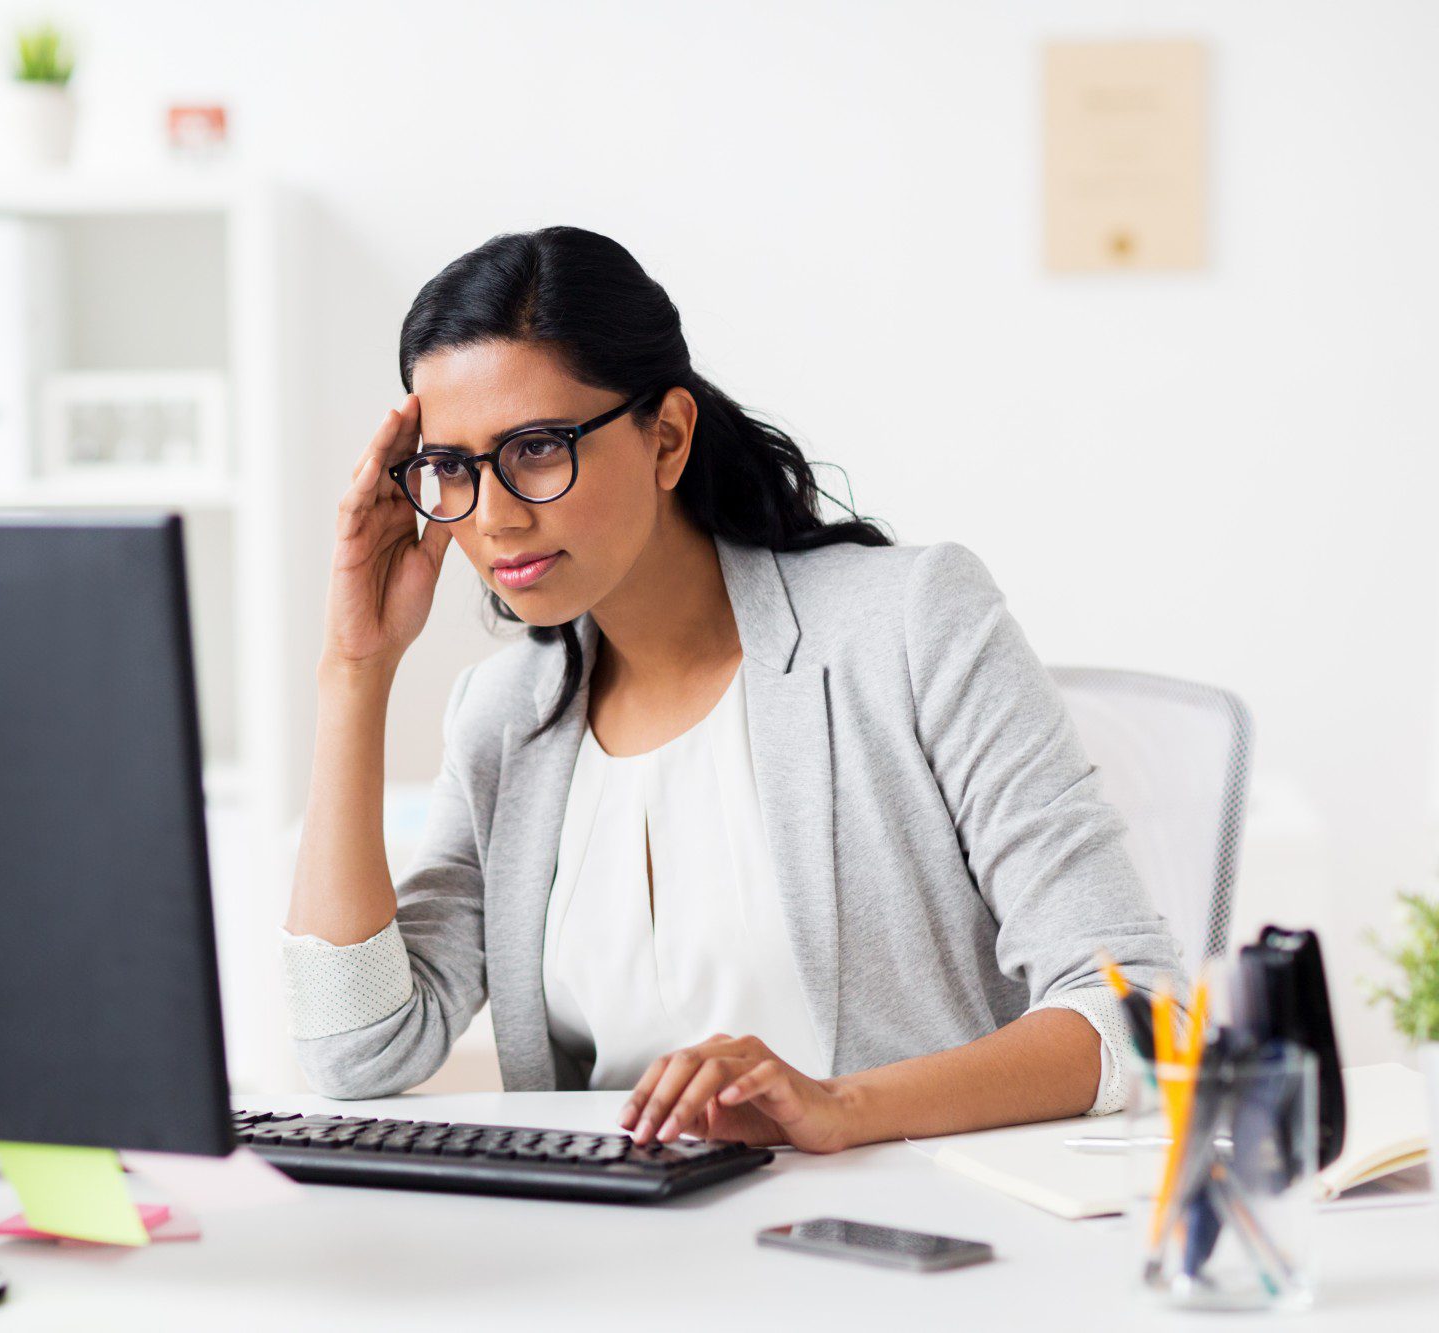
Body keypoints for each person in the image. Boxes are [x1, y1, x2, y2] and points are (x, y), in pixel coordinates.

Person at [281, 225, 1184, 1153]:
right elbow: (358, 1050)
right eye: (454, 468)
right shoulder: (503, 716)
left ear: (666, 437)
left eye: (538, 448)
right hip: (623, 1262)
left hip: (904, 1242)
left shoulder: (910, 623)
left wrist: (841, 1107)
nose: (497, 515)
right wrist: (356, 670)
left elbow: (1139, 1014)